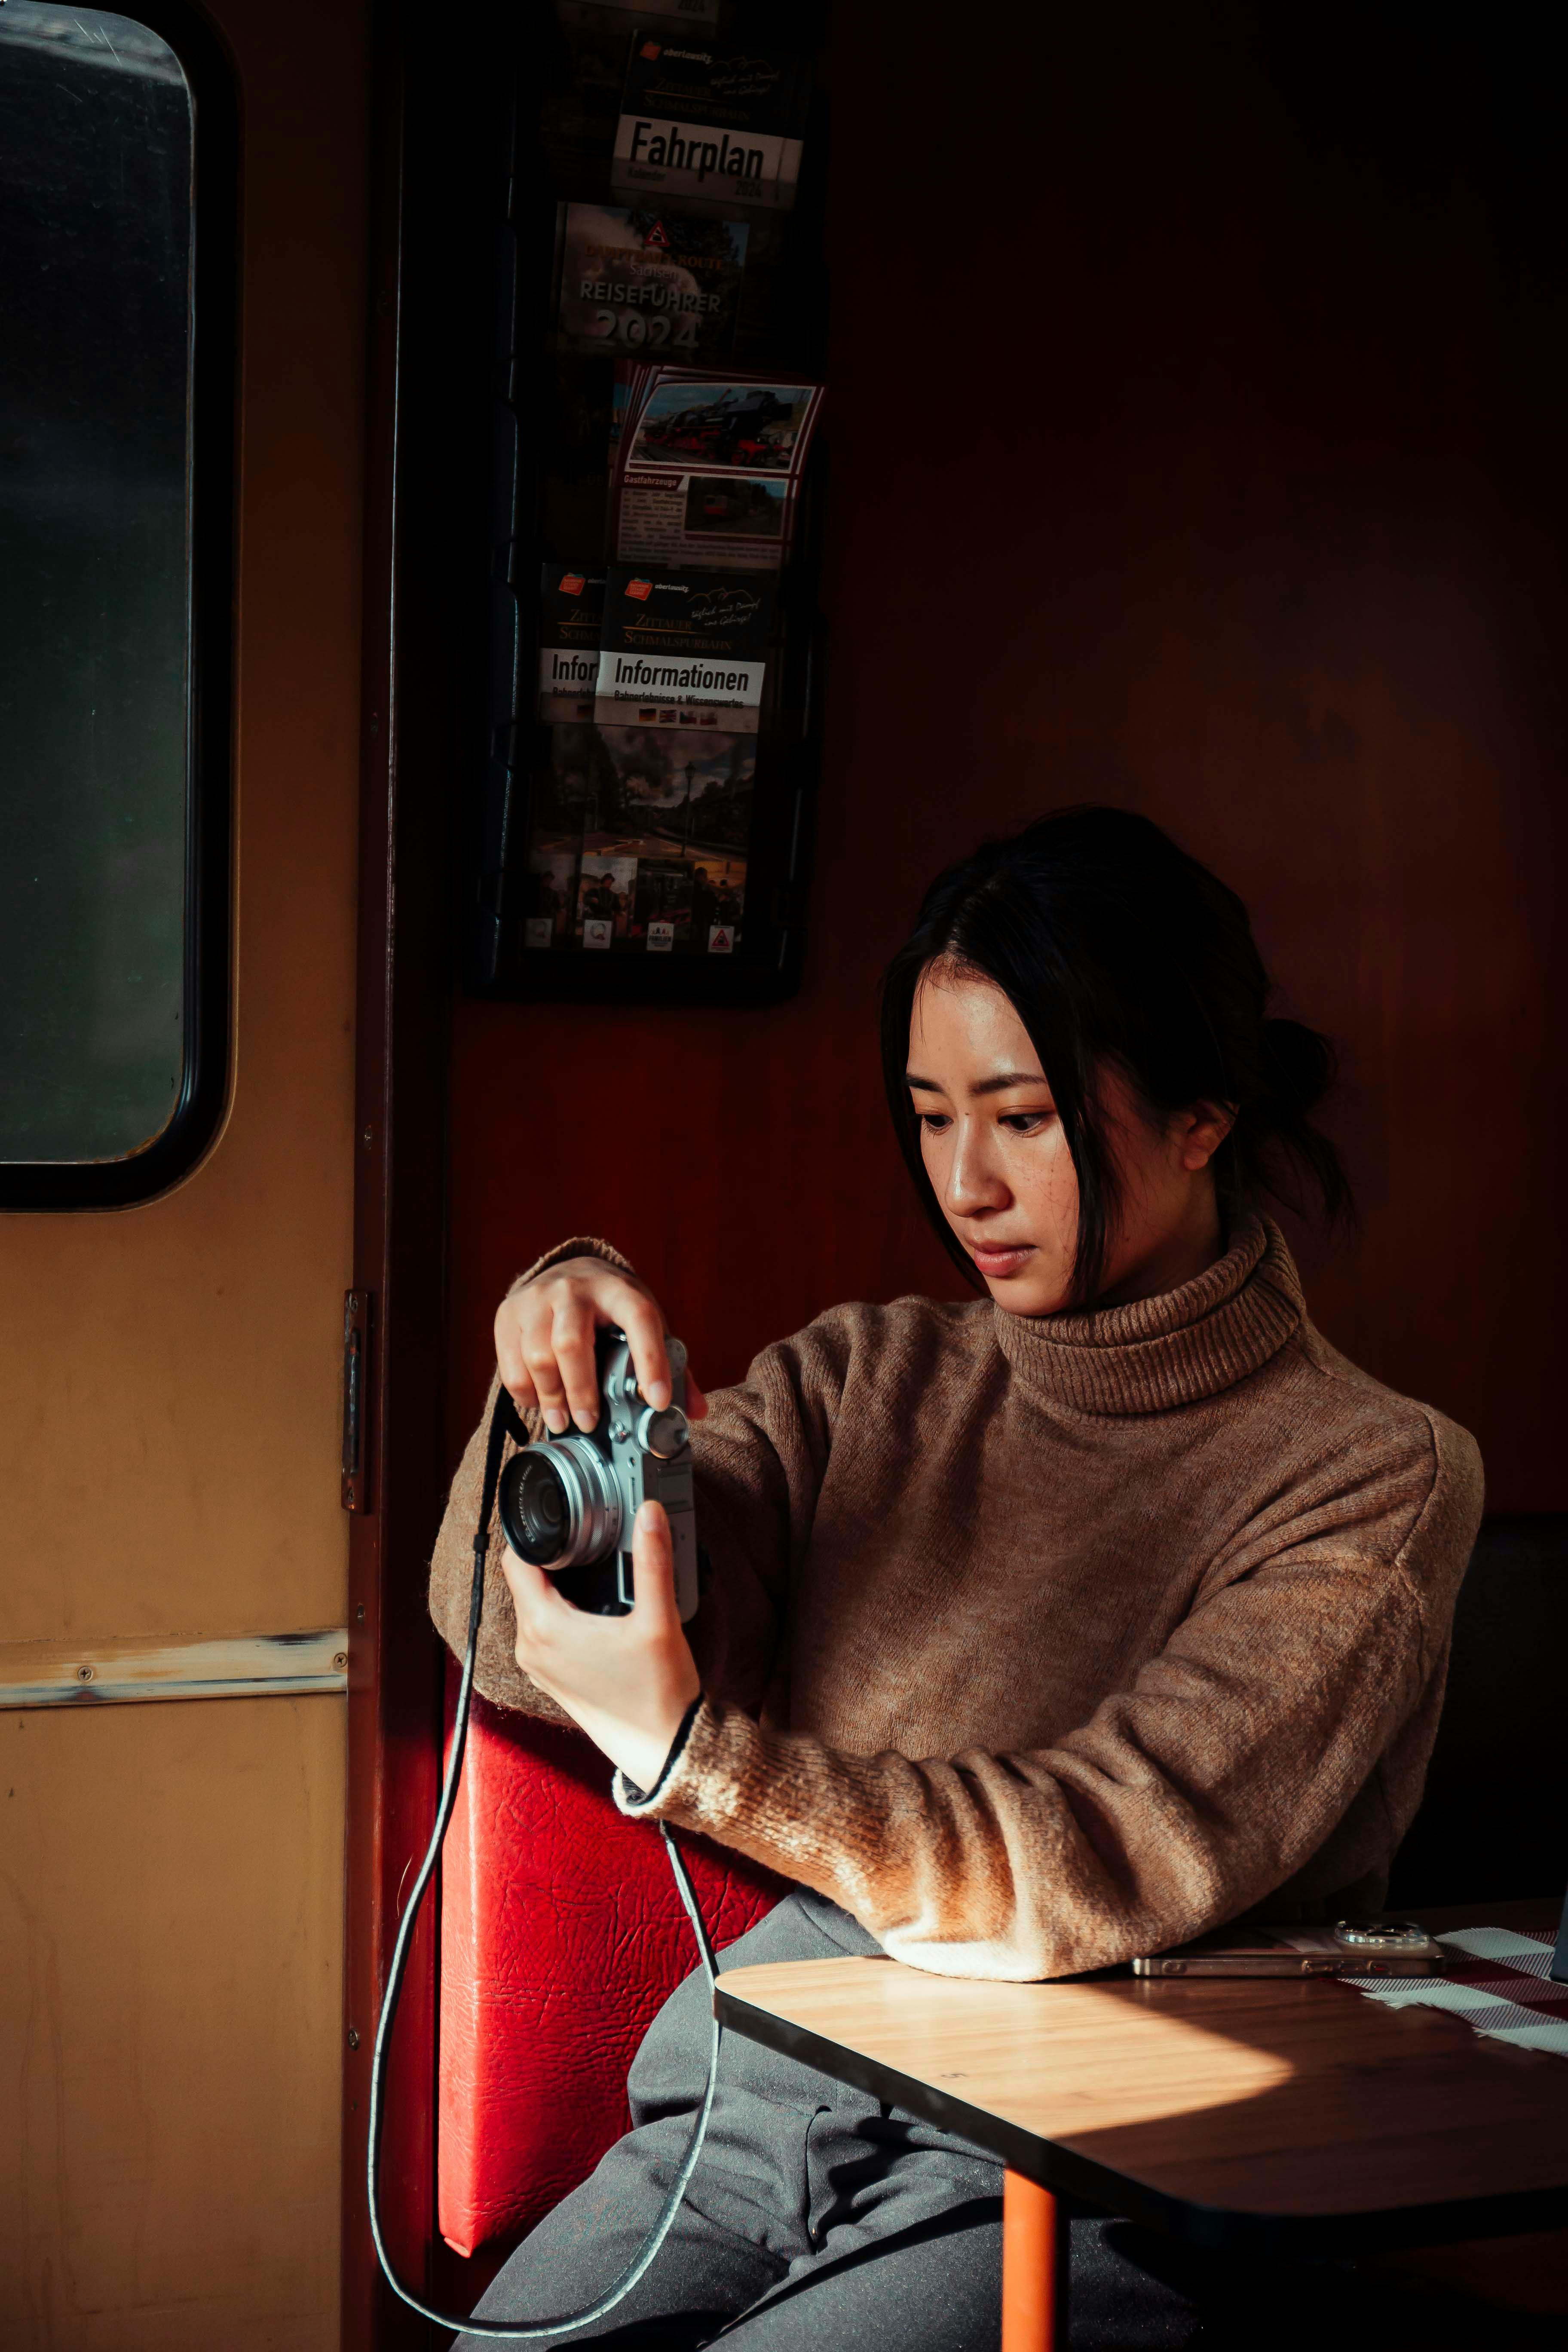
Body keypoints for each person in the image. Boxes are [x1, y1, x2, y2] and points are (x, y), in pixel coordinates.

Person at [429, 807, 1482, 2348]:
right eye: (931, 1117)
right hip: (748, 2116)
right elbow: (506, 1648)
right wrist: (557, 1373)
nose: (966, 1184)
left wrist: (693, 1756)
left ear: (1202, 1114)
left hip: (1070, 2170)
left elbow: (1093, 1858)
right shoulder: (873, 1378)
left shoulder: (1372, 1475)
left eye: (1026, 1117)